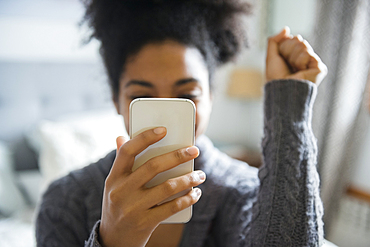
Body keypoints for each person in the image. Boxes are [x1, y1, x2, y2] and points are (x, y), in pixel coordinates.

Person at [36, 0, 327, 246]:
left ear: (211, 97)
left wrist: (290, 108)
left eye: (187, 94)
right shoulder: (65, 202)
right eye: (143, 96)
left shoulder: (242, 191)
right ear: (116, 99)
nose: (166, 113)